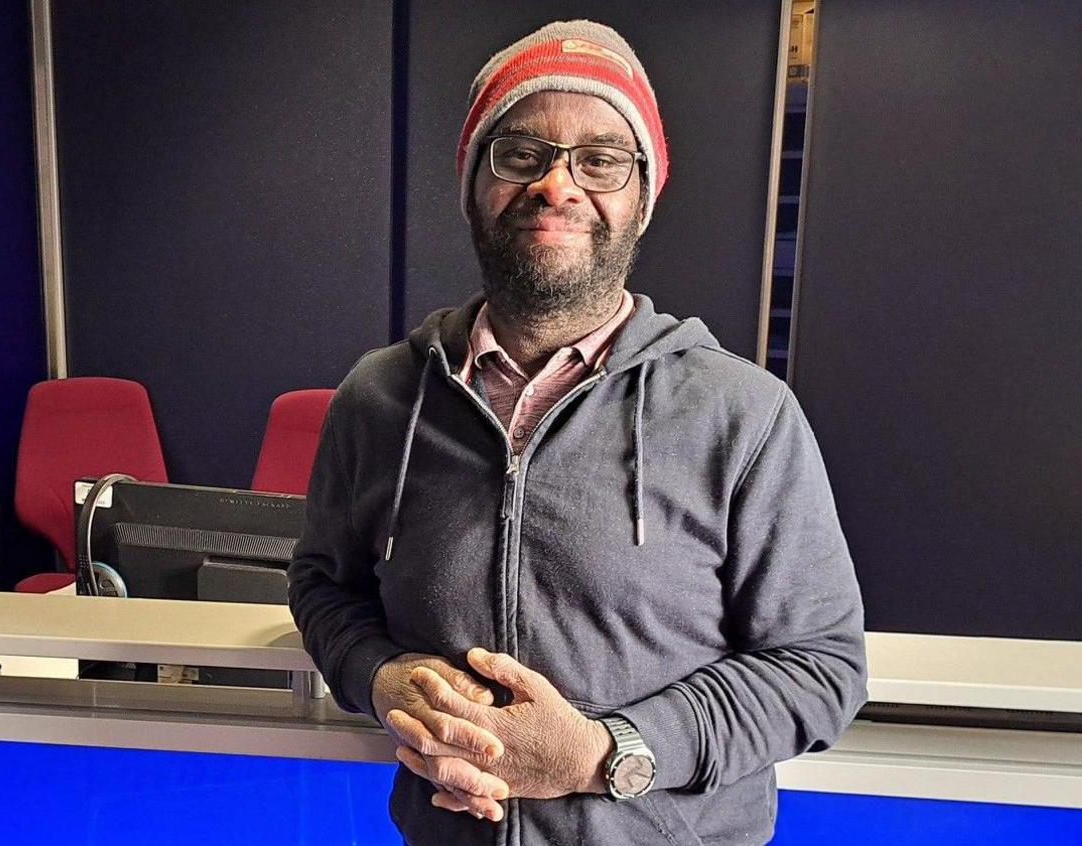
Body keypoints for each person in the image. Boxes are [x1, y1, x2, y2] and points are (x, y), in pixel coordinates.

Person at [288, 19, 867, 845]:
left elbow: (819, 668)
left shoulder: (745, 415)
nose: (556, 185)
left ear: (642, 197)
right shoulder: (379, 397)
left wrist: (605, 752)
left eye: (600, 161)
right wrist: (380, 676)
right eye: (520, 152)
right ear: (474, 183)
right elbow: (322, 587)